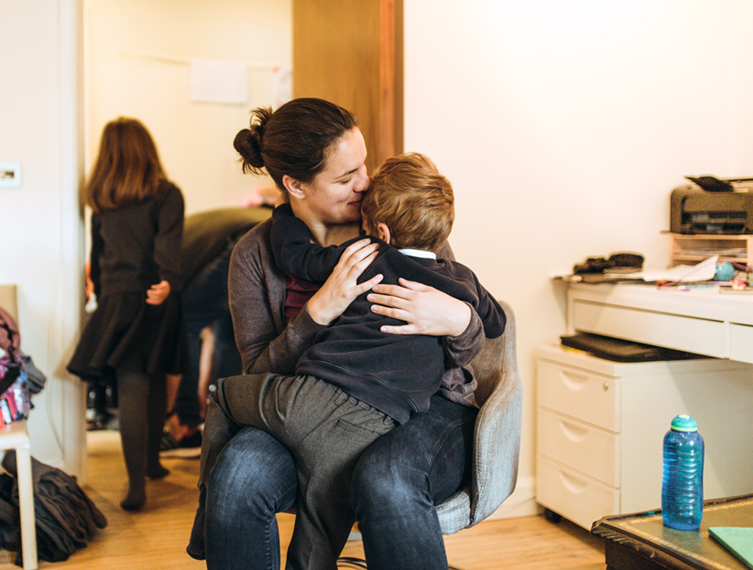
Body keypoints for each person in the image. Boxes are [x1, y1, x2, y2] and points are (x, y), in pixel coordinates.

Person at [187, 98, 492, 570]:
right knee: (237, 477)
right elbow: (260, 371)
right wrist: (316, 313)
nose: (365, 182)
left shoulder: (397, 221)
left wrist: (459, 321)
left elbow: (471, 331)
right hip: (313, 405)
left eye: (363, 165)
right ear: (295, 185)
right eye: (345, 177)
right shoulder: (255, 256)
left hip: (426, 407)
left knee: (387, 479)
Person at [66, 117, 189, 511]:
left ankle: (141, 478)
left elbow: (98, 259)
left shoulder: (102, 205)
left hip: (117, 301)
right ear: (146, 150)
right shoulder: (167, 195)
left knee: (131, 389)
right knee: (152, 382)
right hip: (155, 295)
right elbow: (168, 246)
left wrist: (103, 297)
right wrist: (167, 281)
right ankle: (148, 468)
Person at [163, 206, 272, 450]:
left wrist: (171, 410)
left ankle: (186, 423)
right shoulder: (192, 238)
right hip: (269, 236)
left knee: (185, 321)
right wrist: (205, 390)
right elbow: (210, 333)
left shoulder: (163, 253)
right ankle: (224, 418)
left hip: (245, 239)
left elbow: (184, 329)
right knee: (228, 332)